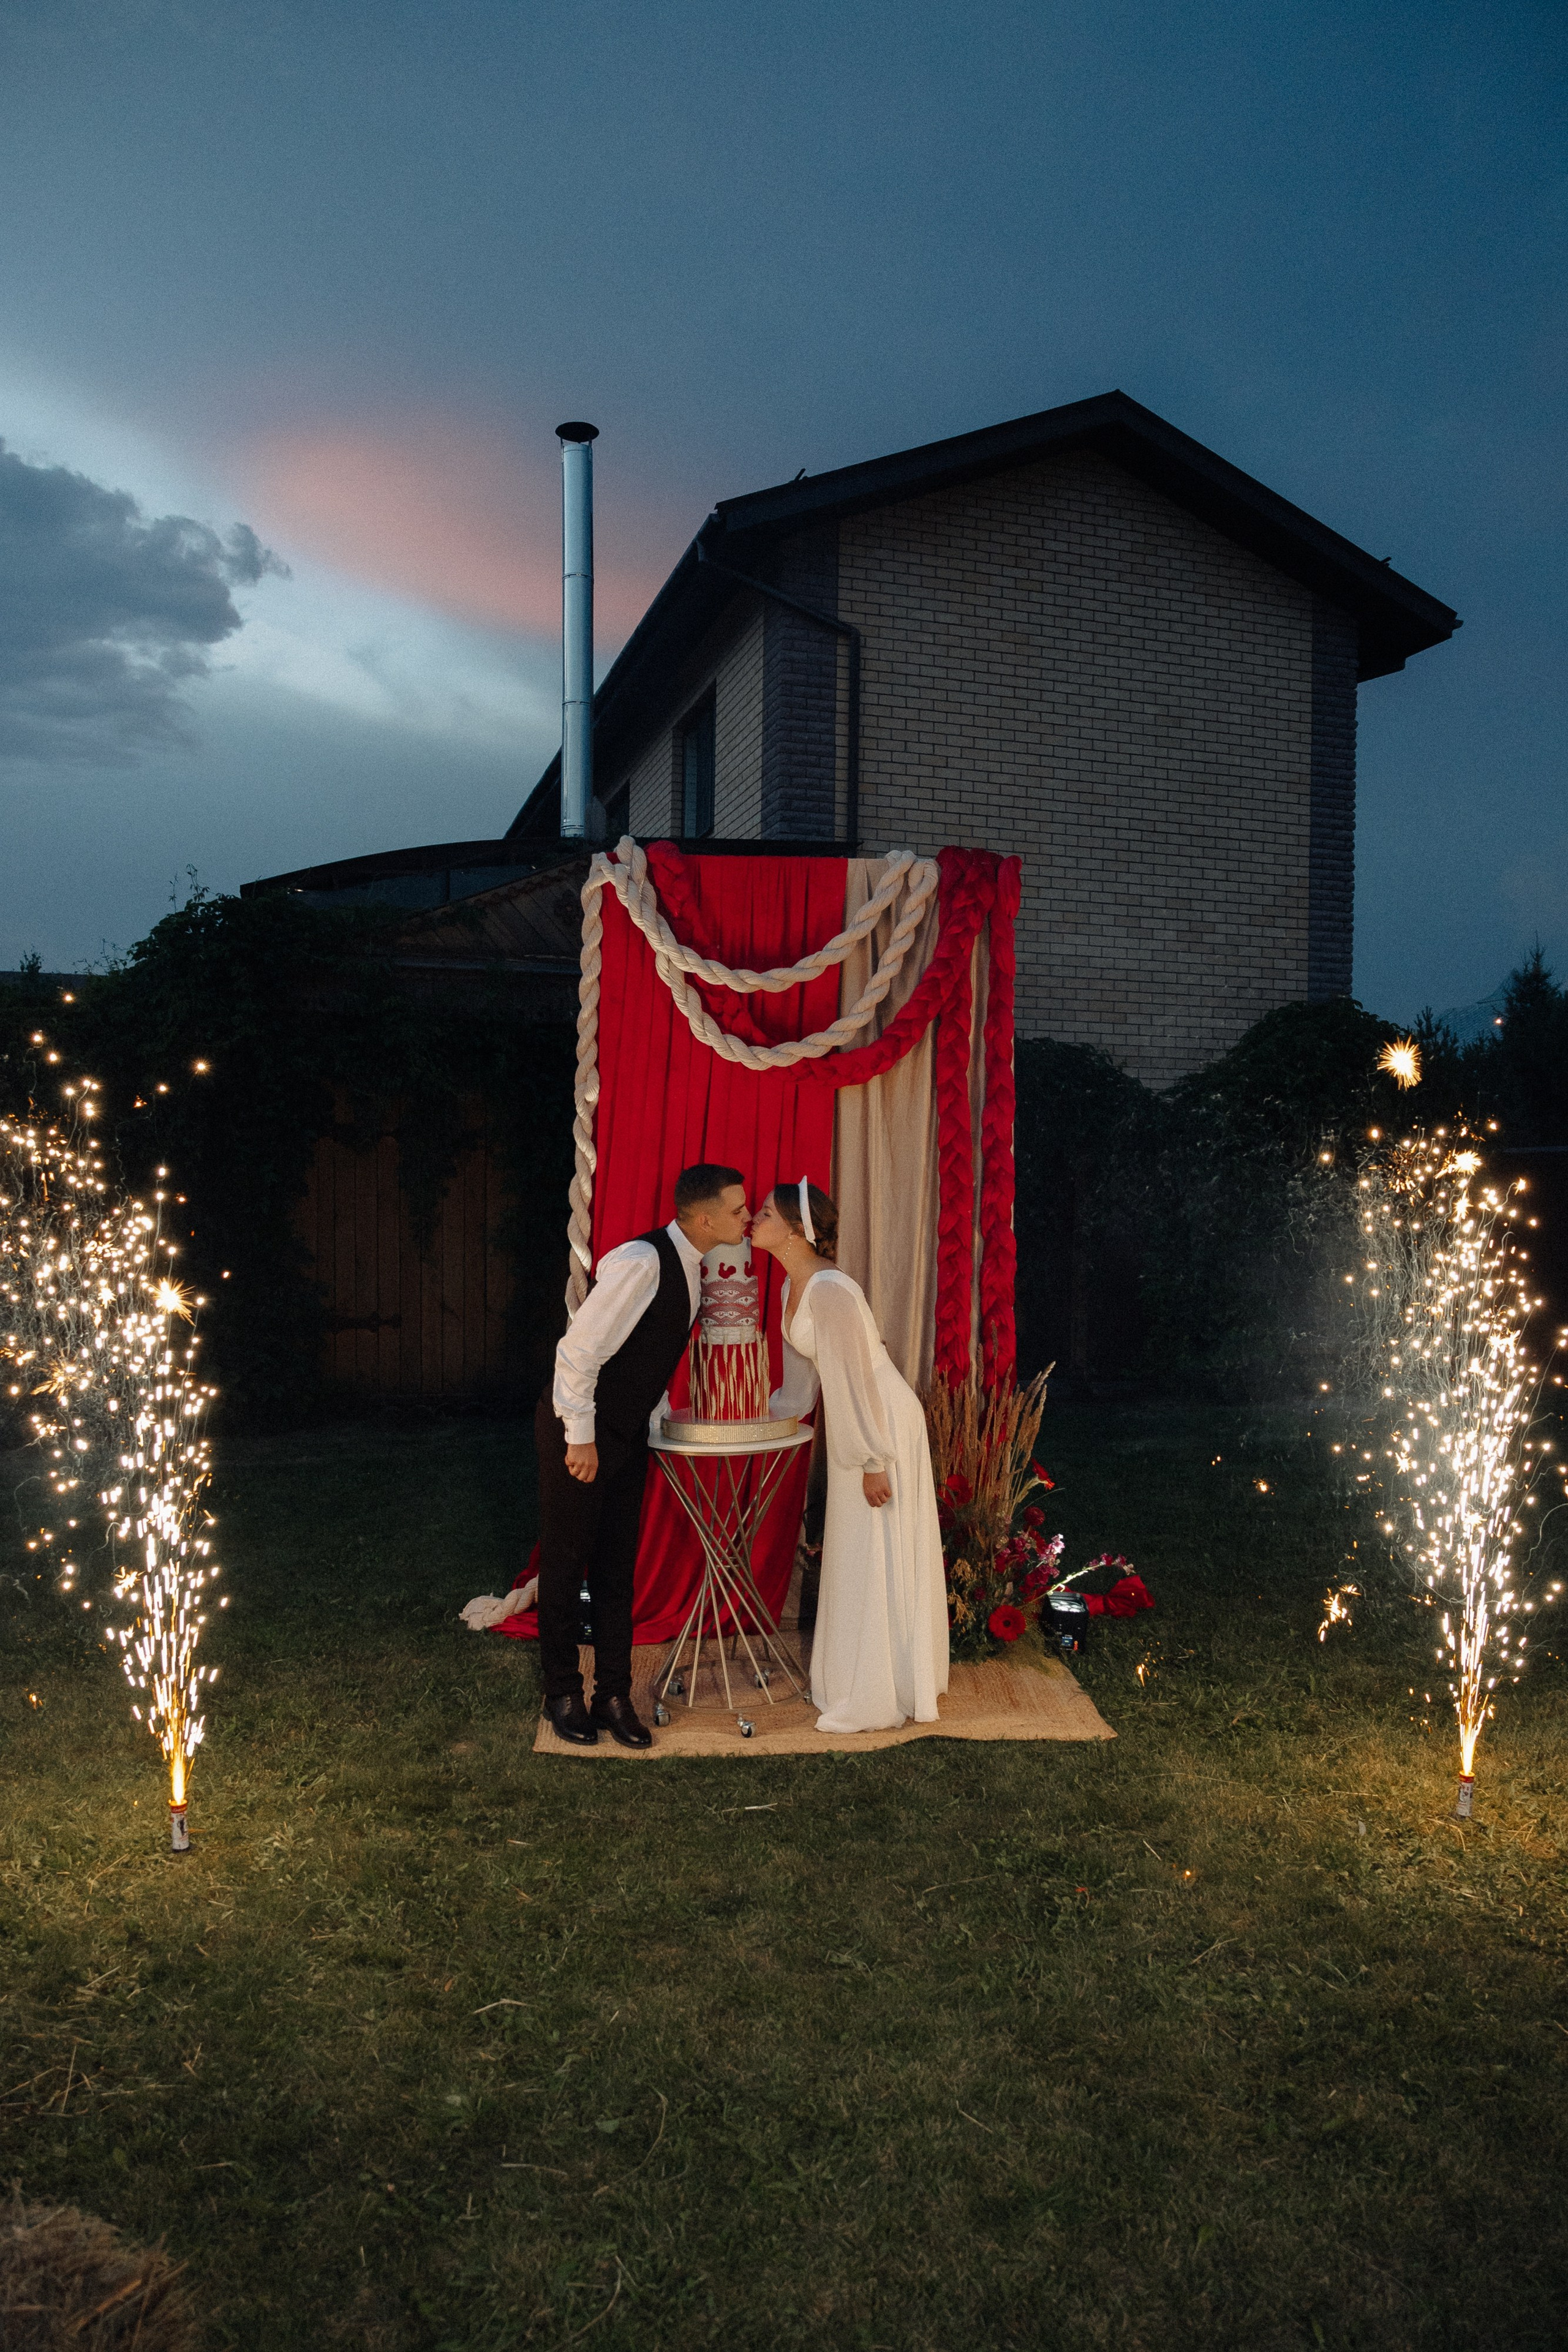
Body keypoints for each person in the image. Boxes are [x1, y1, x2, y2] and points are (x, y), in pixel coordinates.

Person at [535, 1164, 750, 1746]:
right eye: (738, 1210)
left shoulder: (693, 1265)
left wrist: (650, 1422)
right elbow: (577, 1353)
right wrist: (581, 1436)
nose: (746, 1218)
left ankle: (611, 1694)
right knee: (565, 1562)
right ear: (704, 1219)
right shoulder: (644, 1261)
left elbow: (645, 1357)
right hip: (579, 1430)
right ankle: (561, 1693)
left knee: (615, 1570)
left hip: (625, 1435)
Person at [750, 1179, 948, 1734]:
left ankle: (877, 1692)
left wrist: (872, 1459)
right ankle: (856, 1677)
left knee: (871, 1545)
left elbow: (858, 1378)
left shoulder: (830, 1289)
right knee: (855, 1547)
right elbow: (802, 1385)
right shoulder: (796, 1285)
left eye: (765, 1213)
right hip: (857, 1422)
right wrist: (760, 1415)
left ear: (794, 1229)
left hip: (878, 1420)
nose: (754, 1220)